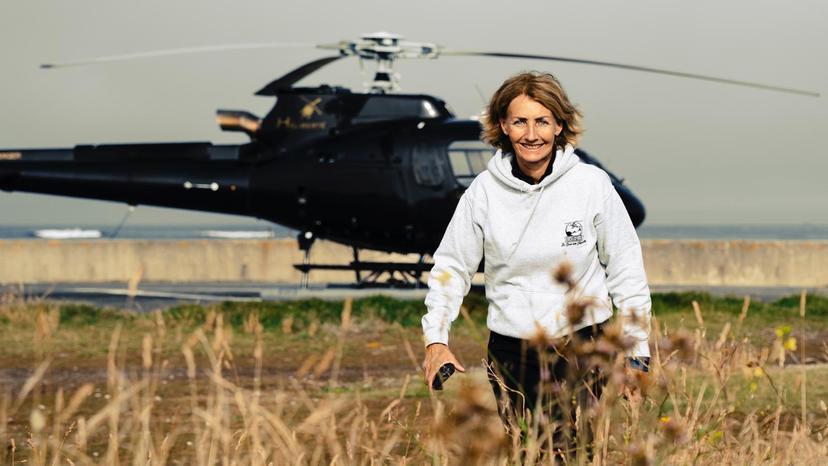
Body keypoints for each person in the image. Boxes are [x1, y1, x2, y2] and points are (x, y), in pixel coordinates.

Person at [421, 71, 651, 453]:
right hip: (512, 351)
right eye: (520, 121)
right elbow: (451, 267)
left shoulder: (592, 185)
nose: (532, 133)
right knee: (527, 452)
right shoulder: (483, 192)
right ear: (503, 127)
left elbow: (626, 269)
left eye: (542, 121)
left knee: (572, 451)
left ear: (559, 125)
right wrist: (436, 339)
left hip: (583, 345)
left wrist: (636, 351)